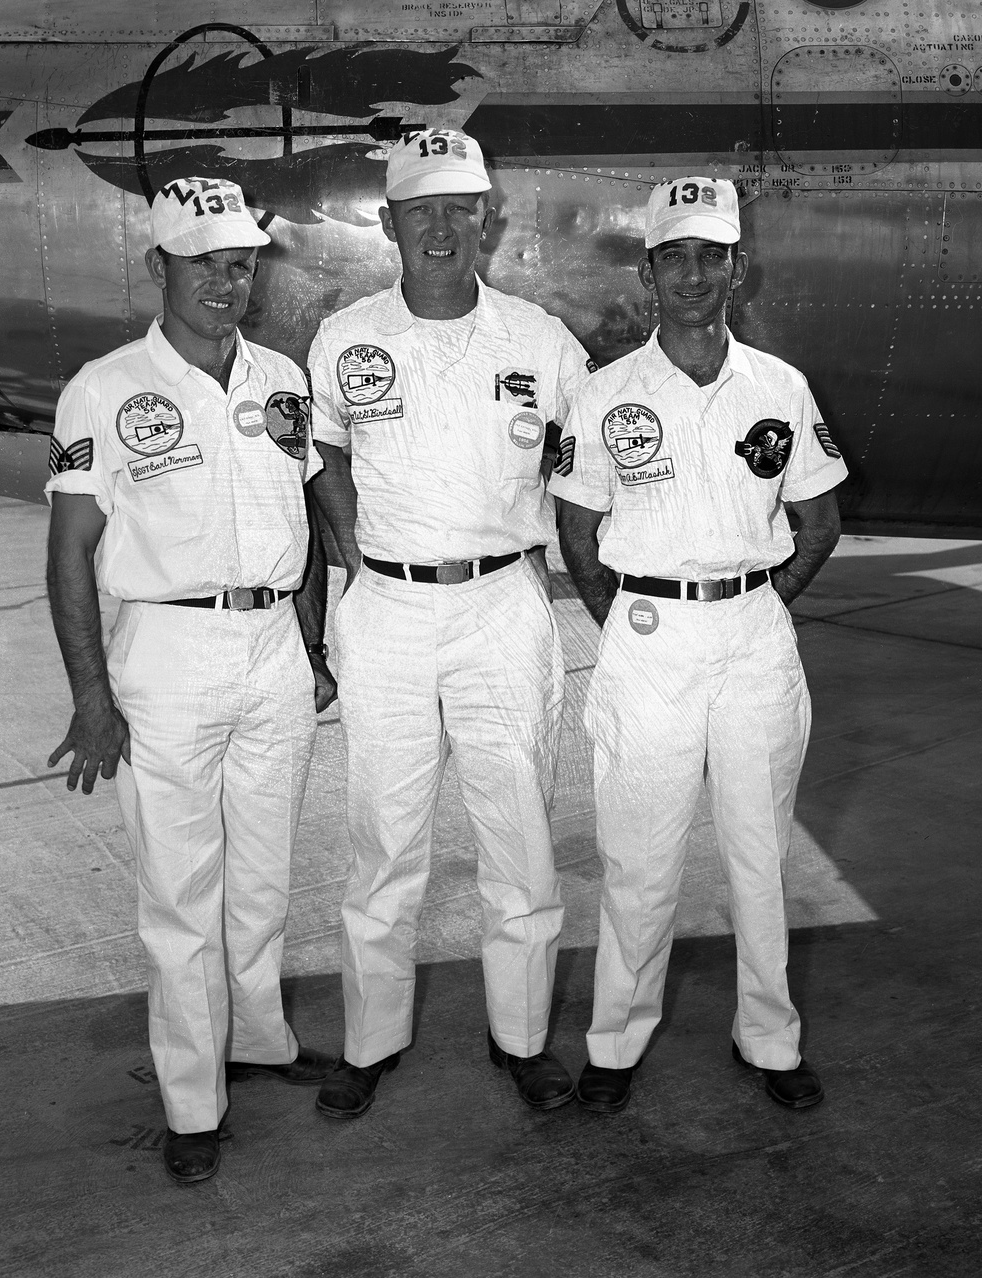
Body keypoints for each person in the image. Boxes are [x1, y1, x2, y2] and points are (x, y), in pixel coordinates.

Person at [45, 177, 338, 1184]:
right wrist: (92, 696)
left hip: (271, 657)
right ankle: (190, 1101)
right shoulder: (104, 387)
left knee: (260, 879)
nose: (226, 277)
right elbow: (70, 550)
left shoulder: (283, 379)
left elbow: (300, 534)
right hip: (164, 660)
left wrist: (314, 649)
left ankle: (256, 1043)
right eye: (202, 259)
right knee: (181, 896)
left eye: (240, 258)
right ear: (158, 266)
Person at [306, 128, 593, 1117]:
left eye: (456, 207)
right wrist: (355, 562)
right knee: (382, 840)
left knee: (516, 833)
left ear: (487, 220)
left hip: (500, 604)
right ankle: (370, 1042)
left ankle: (520, 1041)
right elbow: (327, 459)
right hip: (383, 606)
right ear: (389, 223)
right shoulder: (345, 337)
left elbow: (585, 469)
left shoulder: (543, 343)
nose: (439, 226)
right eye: (418, 208)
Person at [551, 176, 847, 1114]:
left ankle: (770, 1038)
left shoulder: (781, 387)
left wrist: (765, 597)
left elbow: (819, 519)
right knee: (641, 858)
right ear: (648, 273)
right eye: (673, 256)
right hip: (649, 639)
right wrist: (630, 617)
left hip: (754, 635)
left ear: (737, 269)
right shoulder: (604, 395)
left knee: (761, 851)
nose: (691, 274)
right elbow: (577, 529)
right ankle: (614, 1045)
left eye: (710, 256)